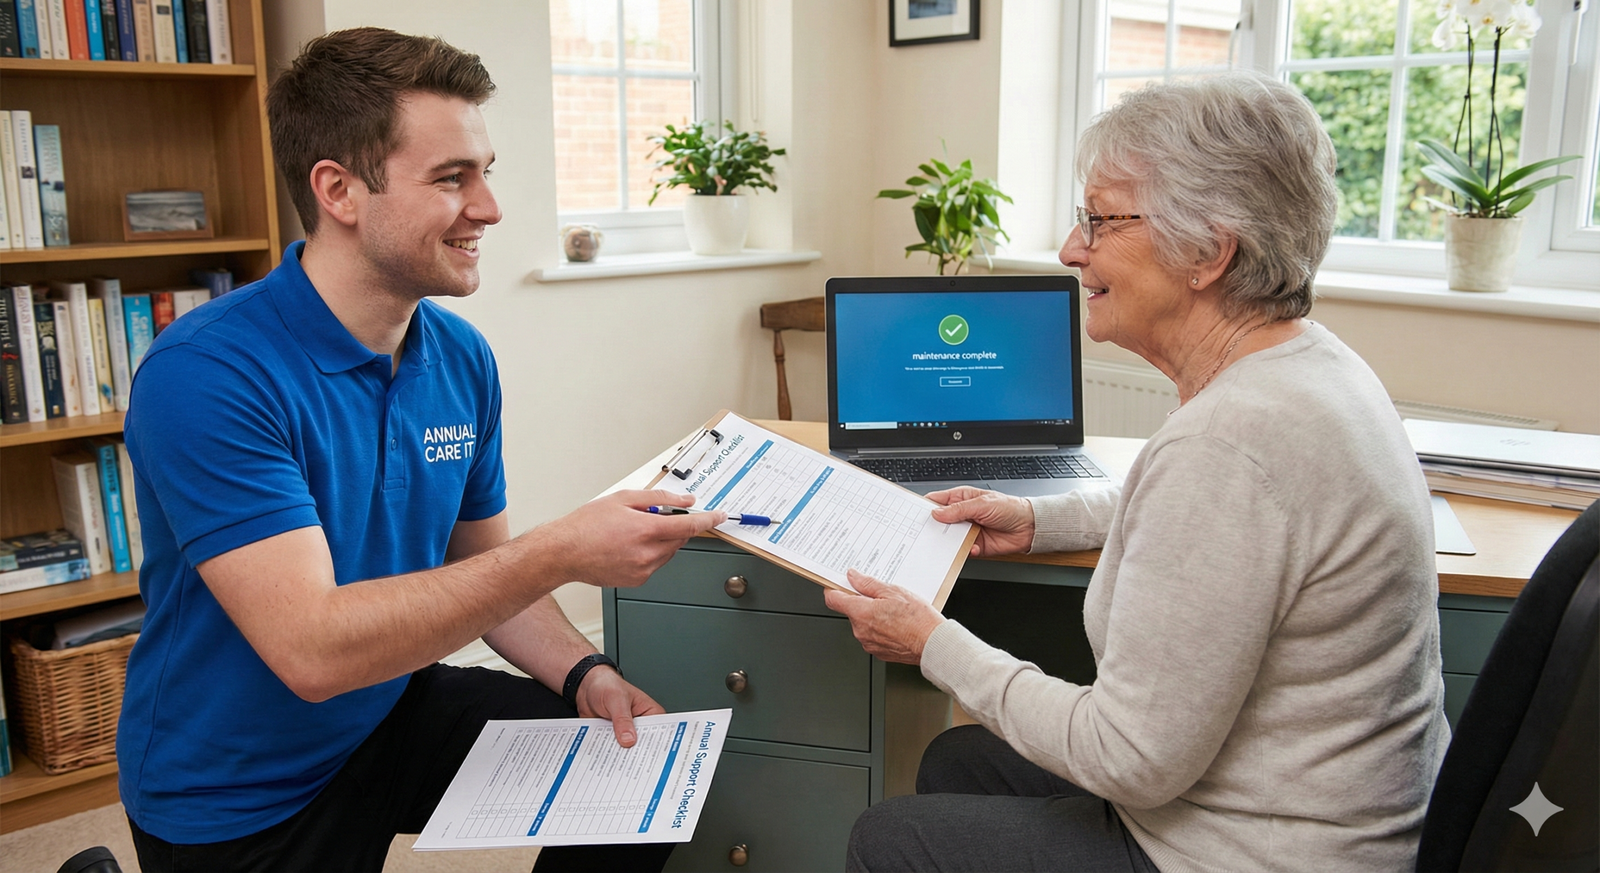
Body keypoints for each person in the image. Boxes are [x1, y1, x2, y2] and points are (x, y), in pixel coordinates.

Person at [115, 28, 723, 873]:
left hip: (383, 710)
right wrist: (562, 549)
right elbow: (315, 652)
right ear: (339, 190)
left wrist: (586, 671)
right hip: (235, 789)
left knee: (634, 771)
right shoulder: (207, 374)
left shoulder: (459, 356)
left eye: (486, 171)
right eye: (451, 177)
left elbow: (484, 575)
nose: (490, 207)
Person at [826, 72, 1449, 872]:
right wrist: (1042, 519)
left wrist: (933, 643)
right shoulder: (1307, 367)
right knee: (961, 761)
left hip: (1256, 852)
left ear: (1209, 252)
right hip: (1322, 811)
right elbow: (1219, 521)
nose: (1069, 249)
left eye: (1100, 220)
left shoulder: (1229, 441)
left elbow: (1128, 757)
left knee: (886, 837)